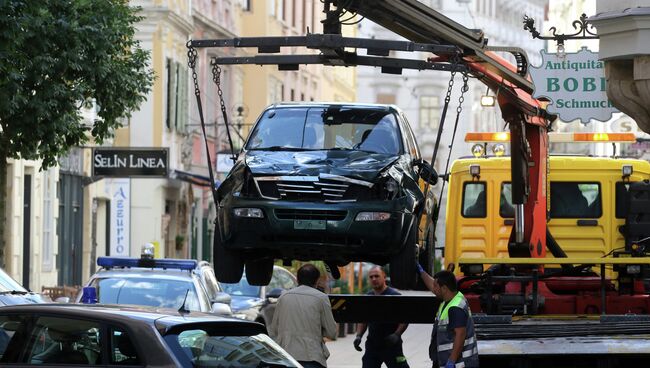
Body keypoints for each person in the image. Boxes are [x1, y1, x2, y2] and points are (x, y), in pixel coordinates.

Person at [269, 264, 338, 368]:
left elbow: (274, 330)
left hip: (286, 358)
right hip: (312, 358)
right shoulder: (321, 298)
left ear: (297, 279)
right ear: (317, 280)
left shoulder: (284, 297)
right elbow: (332, 333)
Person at [417, 267, 479, 368]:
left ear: (444, 288)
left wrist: (451, 362)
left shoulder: (455, 308)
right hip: (446, 361)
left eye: (435, 286)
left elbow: (460, 335)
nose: (433, 289)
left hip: (458, 364)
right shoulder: (452, 298)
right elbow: (434, 285)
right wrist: (421, 272)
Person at [353, 266, 410, 368]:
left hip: (392, 345)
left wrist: (397, 335)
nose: (374, 279)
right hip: (373, 345)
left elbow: (405, 319)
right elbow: (363, 320)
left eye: (377, 276)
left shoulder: (395, 296)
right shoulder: (368, 297)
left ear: (384, 277)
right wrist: (358, 336)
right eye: (371, 277)